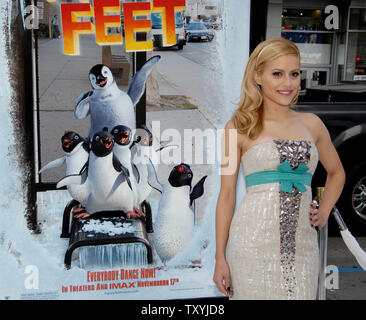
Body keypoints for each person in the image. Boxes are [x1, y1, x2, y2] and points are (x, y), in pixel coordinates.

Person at [213, 37, 345, 300]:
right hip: (251, 244)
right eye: (277, 74)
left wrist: (324, 210)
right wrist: (220, 258)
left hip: (303, 246)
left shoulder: (313, 124)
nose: (288, 83)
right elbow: (226, 195)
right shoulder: (237, 127)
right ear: (257, 76)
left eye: (294, 74)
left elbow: (337, 173)